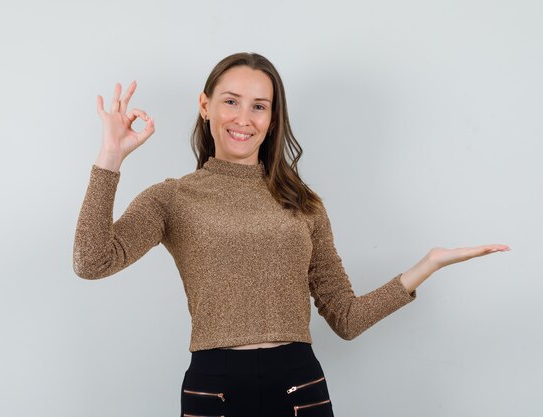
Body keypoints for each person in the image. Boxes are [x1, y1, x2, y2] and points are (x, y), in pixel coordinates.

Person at [73, 52, 510, 417]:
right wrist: (111, 156)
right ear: (205, 106)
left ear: (273, 116)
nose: (244, 118)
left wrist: (427, 265)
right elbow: (91, 262)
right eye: (231, 101)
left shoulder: (302, 202)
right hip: (214, 388)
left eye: (259, 105)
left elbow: (346, 319)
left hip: (299, 385)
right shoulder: (171, 198)